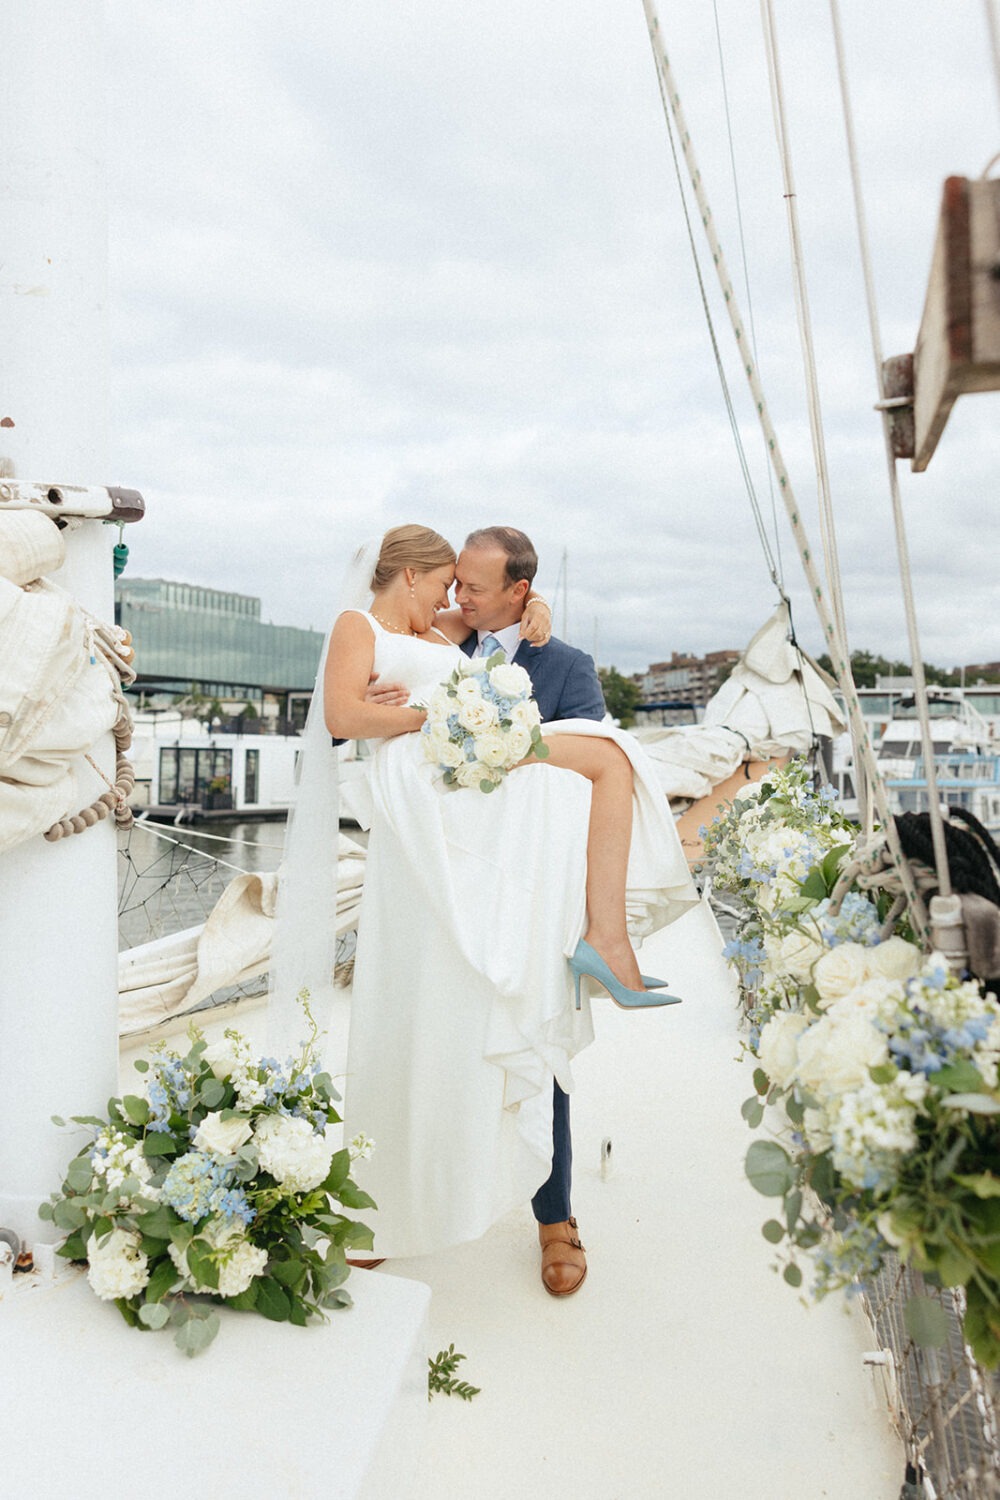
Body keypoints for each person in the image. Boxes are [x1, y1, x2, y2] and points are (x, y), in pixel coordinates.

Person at [278, 524, 698, 1291]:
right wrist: (406, 715)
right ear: (419, 578)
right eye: (451, 585)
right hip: (443, 830)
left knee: (536, 1028)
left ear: (520, 592)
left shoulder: (562, 662)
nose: (460, 599)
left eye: (473, 589)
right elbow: (351, 712)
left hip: (529, 864)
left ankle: (556, 1217)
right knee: (420, 1027)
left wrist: (521, 640)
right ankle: (384, 1208)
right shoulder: (424, 630)